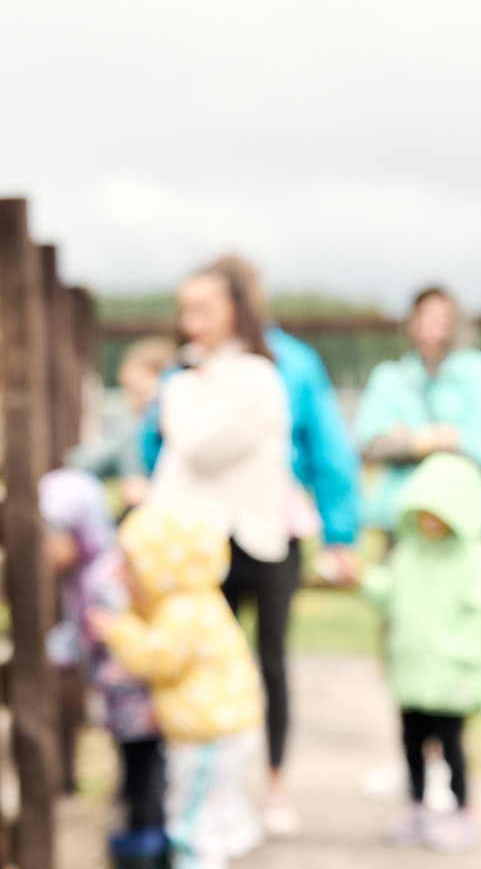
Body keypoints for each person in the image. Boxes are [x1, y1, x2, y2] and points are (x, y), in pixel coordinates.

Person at [143, 255, 366, 834]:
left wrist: (340, 533)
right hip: (201, 538)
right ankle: (214, 784)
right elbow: (161, 449)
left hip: (269, 527)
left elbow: (327, 449)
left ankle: (274, 782)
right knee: (208, 657)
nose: (194, 319)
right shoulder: (184, 372)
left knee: (270, 661)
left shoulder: (284, 365)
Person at [96, 505, 264, 869]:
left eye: (131, 566)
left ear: (158, 568)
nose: (123, 574)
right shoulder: (199, 601)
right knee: (210, 810)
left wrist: (117, 630)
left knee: (190, 819)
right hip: (221, 731)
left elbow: (155, 659)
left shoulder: (181, 611)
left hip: (207, 736)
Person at [359, 453, 481, 853]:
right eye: (424, 512)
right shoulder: (409, 554)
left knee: (451, 746)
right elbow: (390, 595)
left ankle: (461, 811)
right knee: (410, 744)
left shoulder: (478, 561)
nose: (430, 521)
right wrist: (360, 578)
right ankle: (417, 807)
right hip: (412, 674)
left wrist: (457, 653)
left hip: (449, 678)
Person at [40, 468, 166, 869]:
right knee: (136, 782)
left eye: (51, 536)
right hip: (121, 707)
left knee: (143, 785)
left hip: (138, 708)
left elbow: (120, 639)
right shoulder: (84, 576)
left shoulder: (103, 578)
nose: (45, 548)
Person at [352, 286, 481, 535]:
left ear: (456, 325)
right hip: (403, 522)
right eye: (424, 319)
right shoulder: (390, 377)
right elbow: (370, 442)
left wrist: (410, 440)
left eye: (441, 321)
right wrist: (434, 439)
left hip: (466, 522)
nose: (432, 331)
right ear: (411, 324)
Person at [69, 334, 176, 504]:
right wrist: (121, 486)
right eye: (129, 390)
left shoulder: (177, 427)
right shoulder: (129, 428)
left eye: (139, 390)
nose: (133, 399)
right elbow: (83, 461)